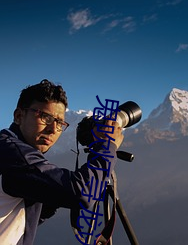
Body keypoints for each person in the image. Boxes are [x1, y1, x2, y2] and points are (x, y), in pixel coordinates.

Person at [0, 79, 124, 245]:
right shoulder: (14, 154)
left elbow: (23, 218)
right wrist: (107, 149)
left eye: (59, 123)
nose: (53, 129)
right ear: (19, 116)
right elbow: (83, 193)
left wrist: (53, 193)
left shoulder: (11, 149)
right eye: (45, 117)